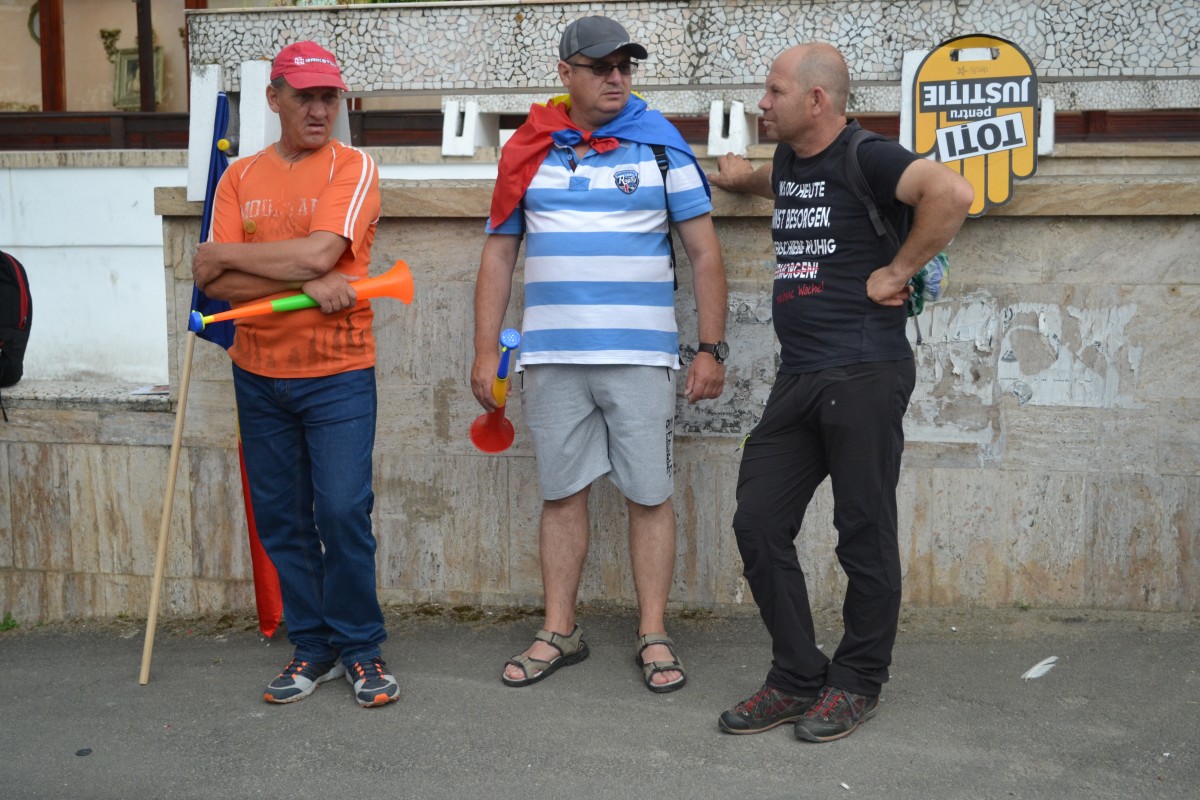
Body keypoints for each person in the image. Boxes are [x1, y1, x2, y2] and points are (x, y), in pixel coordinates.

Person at [708, 43, 973, 740]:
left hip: (862, 372)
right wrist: (744, 180)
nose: (760, 104)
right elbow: (792, 186)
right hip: (799, 376)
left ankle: (857, 682)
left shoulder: (871, 154)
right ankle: (797, 677)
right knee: (758, 522)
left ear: (816, 100)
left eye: (772, 92)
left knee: (863, 535)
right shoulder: (796, 160)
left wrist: (898, 270)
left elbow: (951, 194)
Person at [472, 15, 728, 693]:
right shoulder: (528, 148)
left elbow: (705, 253)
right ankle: (560, 629)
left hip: (641, 358)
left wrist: (711, 348)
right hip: (551, 357)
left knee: (649, 495)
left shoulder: (661, 146)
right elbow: (499, 253)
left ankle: (654, 633)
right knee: (561, 495)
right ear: (566, 75)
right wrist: (483, 353)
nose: (616, 77)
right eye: (601, 66)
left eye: (626, 66)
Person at [192, 41, 398, 709]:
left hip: (337, 371)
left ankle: (362, 646)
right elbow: (215, 284)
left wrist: (230, 255)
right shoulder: (239, 177)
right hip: (257, 370)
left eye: (328, 97)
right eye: (304, 95)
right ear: (273, 97)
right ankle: (314, 645)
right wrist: (300, 273)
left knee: (341, 512)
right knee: (281, 518)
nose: (318, 109)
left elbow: (320, 250)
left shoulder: (353, 165)